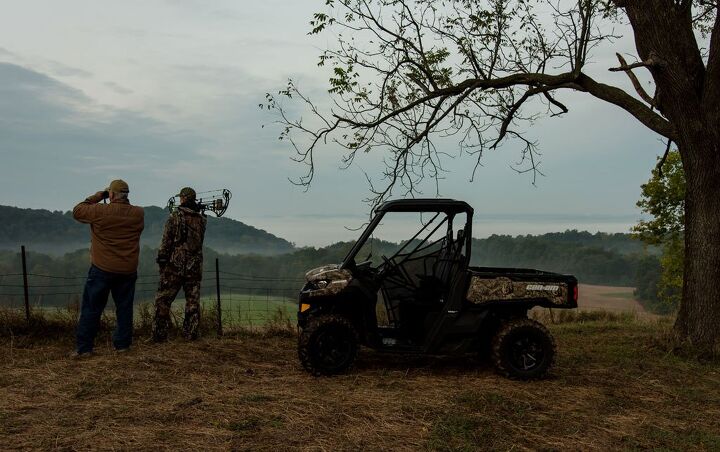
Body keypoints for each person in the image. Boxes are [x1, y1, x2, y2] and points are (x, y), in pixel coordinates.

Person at [72, 180, 144, 357]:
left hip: (102, 268)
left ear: (111, 195)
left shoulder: (100, 211)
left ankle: (85, 348)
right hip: (127, 269)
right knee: (124, 308)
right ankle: (122, 345)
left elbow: (78, 210)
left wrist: (99, 195)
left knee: (92, 308)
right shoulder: (138, 213)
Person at [152, 187, 207, 342]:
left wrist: (162, 260)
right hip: (194, 267)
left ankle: (159, 335)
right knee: (192, 301)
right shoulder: (202, 219)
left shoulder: (174, 217)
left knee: (163, 299)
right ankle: (191, 334)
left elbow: (166, 242)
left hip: (174, 266)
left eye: (181, 198)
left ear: (183, 198)